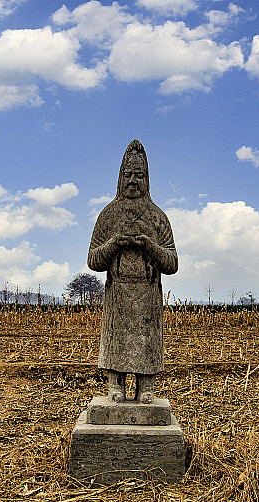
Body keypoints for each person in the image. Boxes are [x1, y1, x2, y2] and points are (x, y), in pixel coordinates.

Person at [87, 139, 178, 404]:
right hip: (117, 290)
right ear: (119, 178)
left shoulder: (157, 216)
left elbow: (172, 263)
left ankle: (145, 385)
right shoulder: (108, 215)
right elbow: (93, 260)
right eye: (128, 175)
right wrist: (115, 243)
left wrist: (149, 246)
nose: (133, 181)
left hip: (148, 292)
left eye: (139, 176)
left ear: (147, 179)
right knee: (117, 338)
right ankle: (115, 383)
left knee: (146, 340)